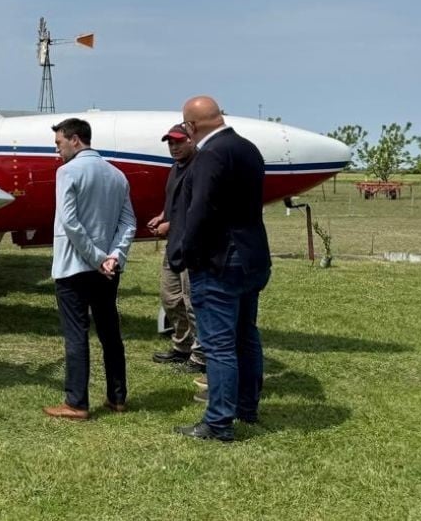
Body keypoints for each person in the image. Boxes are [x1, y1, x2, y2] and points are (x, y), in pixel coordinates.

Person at [170, 97, 271, 442]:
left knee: (219, 345)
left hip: (219, 261)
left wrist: (185, 253)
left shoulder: (210, 155)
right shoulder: (248, 149)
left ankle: (218, 421)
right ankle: (246, 406)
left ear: (192, 127)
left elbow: (201, 211)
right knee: (246, 335)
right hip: (252, 255)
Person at [43, 117, 137, 421]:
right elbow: (128, 223)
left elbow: (70, 222)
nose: (56, 150)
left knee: (76, 334)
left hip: (74, 266)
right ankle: (117, 397)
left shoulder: (67, 172)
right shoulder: (118, 176)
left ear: (74, 140)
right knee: (110, 331)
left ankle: (77, 402)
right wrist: (114, 256)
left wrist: (96, 257)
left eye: (58, 143)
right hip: (108, 269)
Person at [146, 124, 205, 374]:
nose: (174, 147)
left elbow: (199, 208)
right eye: (170, 143)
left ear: (192, 140)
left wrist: (170, 224)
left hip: (193, 246)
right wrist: (163, 215)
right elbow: (174, 203)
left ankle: (202, 356)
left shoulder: (200, 168)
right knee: (170, 298)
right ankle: (182, 346)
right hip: (175, 245)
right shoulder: (176, 168)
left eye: (179, 142)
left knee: (194, 302)